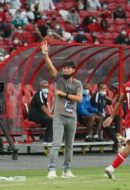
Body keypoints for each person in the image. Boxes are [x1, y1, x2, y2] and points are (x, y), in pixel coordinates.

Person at [40, 41, 83, 179]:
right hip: (59, 116)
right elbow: (50, 67)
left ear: (73, 70)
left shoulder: (78, 83)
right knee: (56, 144)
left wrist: (64, 95)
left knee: (69, 145)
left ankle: (67, 170)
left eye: (68, 68)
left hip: (72, 116)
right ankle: (51, 169)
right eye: (63, 68)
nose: (65, 70)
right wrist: (45, 55)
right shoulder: (58, 78)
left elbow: (79, 99)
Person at [91, 82, 124, 151]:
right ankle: (118, 144)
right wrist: (102, 114)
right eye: (102, 88)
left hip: (103, 115)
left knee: (116, 117)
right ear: (98, 89)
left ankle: (117, 134)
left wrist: (117, 95)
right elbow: (96, 106)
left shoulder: (103, 96)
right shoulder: (97, 95)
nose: (104, 90)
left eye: (105, 89)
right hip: (96, 115)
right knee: (106, 125)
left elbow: (111, 102)